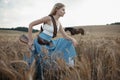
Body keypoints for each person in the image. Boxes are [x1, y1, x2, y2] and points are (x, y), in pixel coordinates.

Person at [26, 2, 78, 79]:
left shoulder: (59, 23)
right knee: (42, 63)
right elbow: (31, 25)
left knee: (68, 42)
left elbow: (65, 36)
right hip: (40, 42)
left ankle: (69, 66)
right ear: (57, 9)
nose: (65, 12)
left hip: (48, 43)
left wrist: (72, 39)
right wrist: (30, 41)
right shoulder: (48, 18)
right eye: (63, 10)